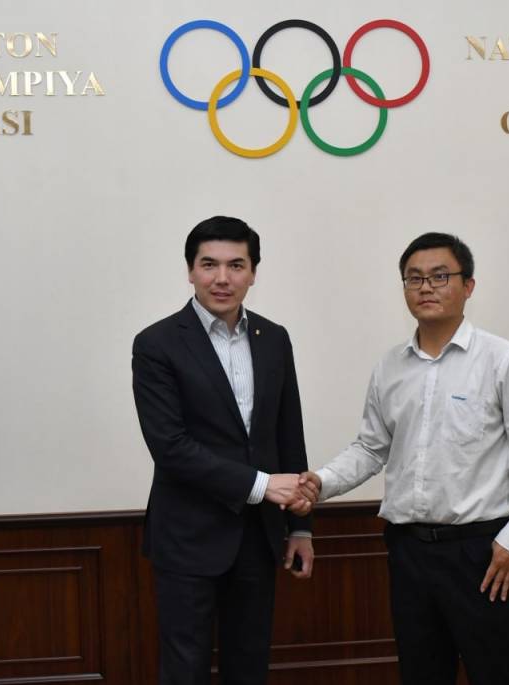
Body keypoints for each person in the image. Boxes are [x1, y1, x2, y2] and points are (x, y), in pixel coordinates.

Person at [298, 232, 509, 685]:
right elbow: (370, 448)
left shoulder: (505, 361)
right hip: (408, 550)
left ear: (468, 286)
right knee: (421, 673)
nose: (426, 287)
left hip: (481, 552)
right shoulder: (390, 367)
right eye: (414, 278)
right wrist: (321, 482)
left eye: (440, 276)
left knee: (498, 673)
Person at [132, 216, 317, 685]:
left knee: (249, 665)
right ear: (190, 271)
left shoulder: (274, 338)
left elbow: (287, 433)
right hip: (187, 536)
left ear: (253, 272)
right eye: (209, 264)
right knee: (185, 669)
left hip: (258, 536)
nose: (222, 278)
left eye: (236, 265)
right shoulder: (156, 344)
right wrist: (261, 485)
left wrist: (300, 526)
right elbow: (170, 447)